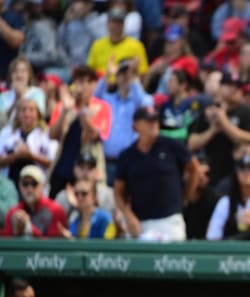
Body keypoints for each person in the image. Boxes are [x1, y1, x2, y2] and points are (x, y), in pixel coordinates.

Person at [114, 106, 200, 241]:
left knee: (172, 261)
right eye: (148, 121)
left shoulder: (171, 146)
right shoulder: (127, 156)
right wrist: (127, 215)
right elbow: (118, 191)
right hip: (139, 222)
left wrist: (186, 196)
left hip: (169, 220)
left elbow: (194, 169)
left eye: (155, 120)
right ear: (136, 126)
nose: (153, 124)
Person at [48, 65, 112, 198]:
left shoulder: (102, 107)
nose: (85, 86)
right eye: (81, 81)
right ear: (74, 83)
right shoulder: (63, 105)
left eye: (89, 82)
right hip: (63, 169)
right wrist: (65, 111)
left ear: (95, 85)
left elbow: (94, 135)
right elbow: (52, 135)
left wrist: (82, 109)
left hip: (88, 172)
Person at [94, 57, 154, 185]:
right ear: (117, 76)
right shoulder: (107, 100)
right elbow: (93, 100)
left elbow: (144, 106)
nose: (126, 77)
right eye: (122, 73)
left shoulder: (143, 99)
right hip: (105, 161)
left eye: (129, 73)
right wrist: (107, 76)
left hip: (130, 162)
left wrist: (134, 80)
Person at [0, 97, 58, 189]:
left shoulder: (47, 133)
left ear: (38, 114)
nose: (27, 114)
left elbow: (53, 163)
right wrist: (15, 156)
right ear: (17, 114)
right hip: (10, 184)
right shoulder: (6, 133)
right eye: (23, 110)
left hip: (38, 184)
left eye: (31, 110)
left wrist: (31, 156)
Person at [3, 165, 66, 237]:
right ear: (19, 186)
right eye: (25, 184)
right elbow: (7, 242)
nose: (29, 188)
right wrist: (17, 232)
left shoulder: (56, 210)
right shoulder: (13, 213)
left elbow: (52, 245)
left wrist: (28, 227)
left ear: (41, 186)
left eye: (34, 183)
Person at [85, 7, 148, 76]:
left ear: (123, 24)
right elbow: (89, 71)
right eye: (112, 22)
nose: (115, 25)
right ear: (107, 23)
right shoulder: (97, 44)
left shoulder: (136, 45)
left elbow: (143, 73)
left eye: (119, 22)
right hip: (102, 83)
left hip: (125, 84)